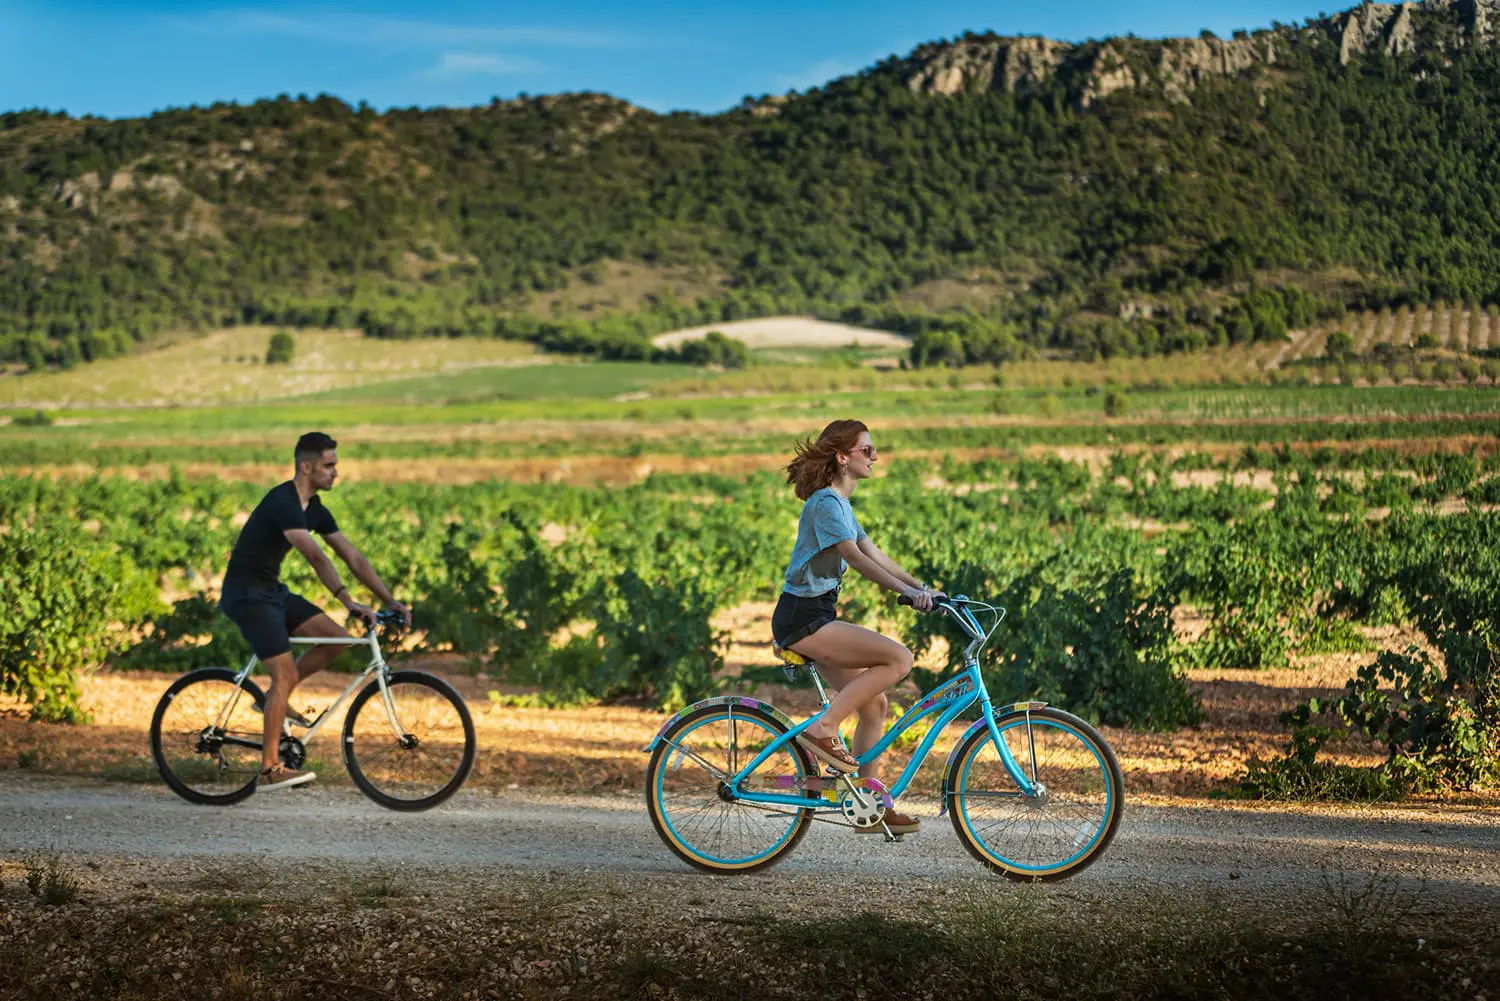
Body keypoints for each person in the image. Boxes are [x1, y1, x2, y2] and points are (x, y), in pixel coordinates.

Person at [771, 419, 939, 835]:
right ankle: (823, 727)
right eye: (867, 450)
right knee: (899, 658)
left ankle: (868, 804)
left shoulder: (841, 506)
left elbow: (872, 551)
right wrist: (904, 592)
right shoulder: (826, 504)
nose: (875, 457)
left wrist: (926, 589)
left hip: (815, 616)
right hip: (804, 618)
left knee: (874, 705)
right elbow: (857, 559)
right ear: (843, 457)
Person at [220, 431, 411, 791]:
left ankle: (271, 703)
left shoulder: (315, 509)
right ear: (306, 466)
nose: (335, 472)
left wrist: (388, 600)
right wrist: (348, 601)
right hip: (247, 595)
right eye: (329, 465)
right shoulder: (283, 502)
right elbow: (316, 556)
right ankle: (268, 769)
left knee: (338, 639)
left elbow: (352, 556)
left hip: (271, 591)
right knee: (285, 674)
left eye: (335, 465)